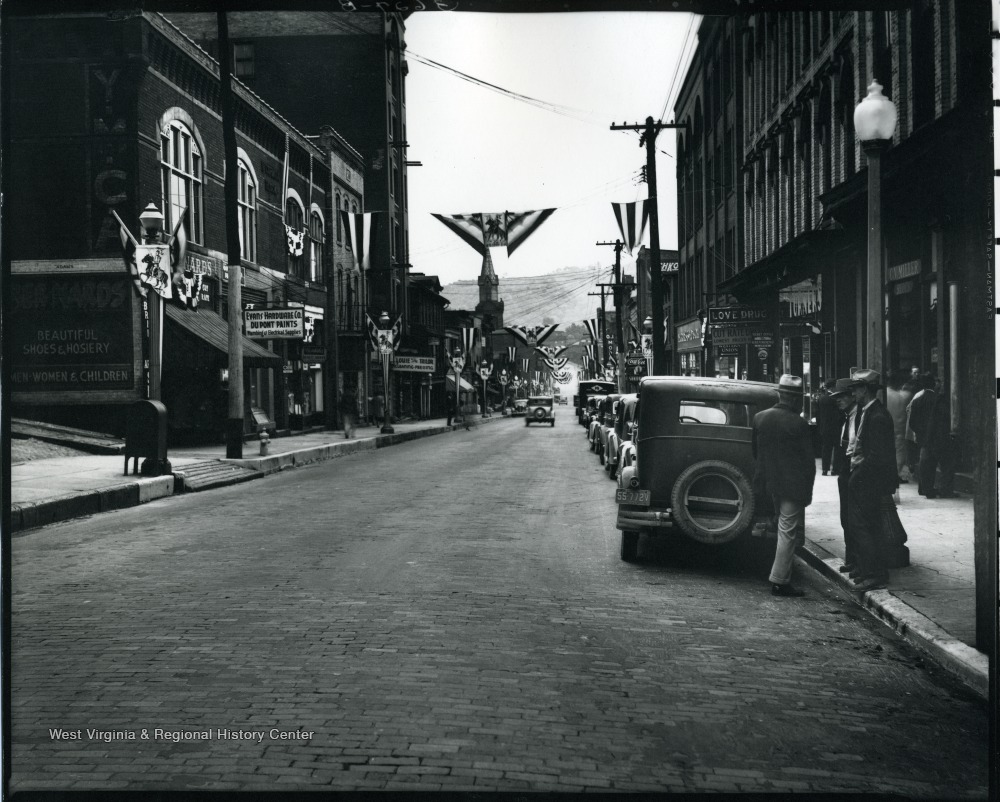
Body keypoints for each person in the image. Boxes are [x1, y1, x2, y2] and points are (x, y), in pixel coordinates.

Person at [752, 374, 817, 598]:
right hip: (792, 486)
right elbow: (809, 464)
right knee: (787, 532)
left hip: (769, 484)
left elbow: (755, 453)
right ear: (796, 400)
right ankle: (780, 581)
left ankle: (776, 574)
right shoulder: (799, 424)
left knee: (779, 528)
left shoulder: (760, 418)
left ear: (780, 395)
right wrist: (807, 493)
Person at [845, 369, 898, 591]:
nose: (853, 393)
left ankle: (874, 573)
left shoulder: (877, 416)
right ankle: (868, 569)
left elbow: (876, 456)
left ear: (865, 389)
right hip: (866, 481)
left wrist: (857, 476)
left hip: (869, 482)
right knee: (865, 526)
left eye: (856, 389)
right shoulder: (869, 411)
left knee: (866, 527)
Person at [908, 373, 958, 498]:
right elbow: (944, 419)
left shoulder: (917, 400)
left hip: (924, 439)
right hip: (939, 438)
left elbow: (912, 422)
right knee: (946, 464)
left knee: (925, 464)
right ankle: (946, 490)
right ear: (933, 384)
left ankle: (926, 490)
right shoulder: (939, 399)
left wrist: (921, 433)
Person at [828, 378, 859, 575]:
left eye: (841, 397)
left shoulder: (860, 416)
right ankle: (852, 559)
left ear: (851, 396)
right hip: (845, 473)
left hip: (855, 472)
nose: (837, 401)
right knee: (846, 518)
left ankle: (857, 561)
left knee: (855, 519)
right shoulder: (847, 417)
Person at [885, 370, 914, 483]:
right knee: (899, 453)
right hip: (899, 429)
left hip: (886, 427)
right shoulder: (902, 396)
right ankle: (896, 474)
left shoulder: (884, 393)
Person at [815, 379, 841, 476]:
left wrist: (820, 426)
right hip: (836, 428)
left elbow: (817, 414)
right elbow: (840, 413)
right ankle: (835, 469)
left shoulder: (821, 399)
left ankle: (825, 470)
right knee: (837, 449)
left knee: (826, 449)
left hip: (825, 428)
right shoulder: (836, 399)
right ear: (833, 387)